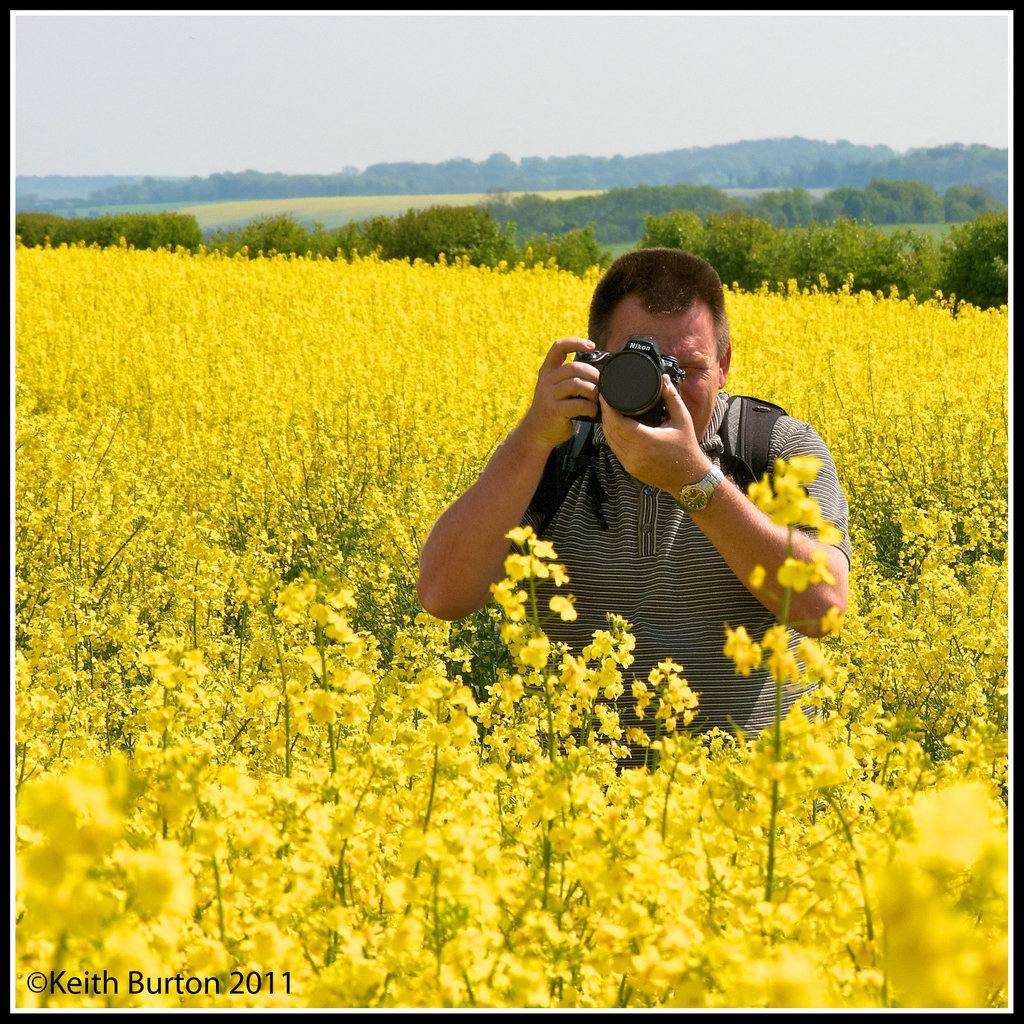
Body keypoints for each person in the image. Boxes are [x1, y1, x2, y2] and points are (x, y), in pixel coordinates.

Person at [417, 248, 850, 757]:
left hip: (753, 807)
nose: (666, 389)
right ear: (596, 361)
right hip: (578, 800)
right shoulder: (553, 454)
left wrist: (696, 481)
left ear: (725, 365)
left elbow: (823, 610)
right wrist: (532, 436)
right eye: (640, 365)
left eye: (686, 368)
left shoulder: (773, 448)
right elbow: (444, 594)